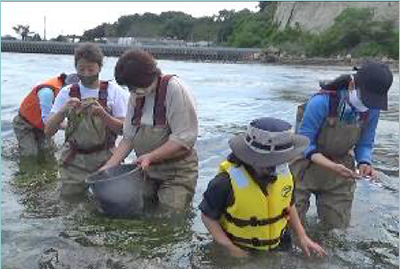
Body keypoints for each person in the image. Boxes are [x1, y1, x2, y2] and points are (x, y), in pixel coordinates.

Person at [199, 117, 326, 258]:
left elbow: (289, 204)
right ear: (253, 157)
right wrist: (229, 247)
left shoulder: (284, 173)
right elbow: (207, 216)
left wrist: (302, 236)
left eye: (282, 160)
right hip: (239, 247)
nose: (279, 167)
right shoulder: (224, 182)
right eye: (273, 163)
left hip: (279, 244)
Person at [290, 61, 393, 229]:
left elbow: (365, 143)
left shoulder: (372, 109)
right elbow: (304, 143)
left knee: (336, 230)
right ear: (352, 84)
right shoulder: (321, 102)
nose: (367, 105)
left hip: (340, 170)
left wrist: (364, 163)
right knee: (290, 226)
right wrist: (331, 165)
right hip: (304, 165)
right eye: (365, 98)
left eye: (372, 101)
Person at [99, 50, 198, 214]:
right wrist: (108, 168)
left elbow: (183, 140)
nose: (133, 92)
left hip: (177, 172)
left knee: (169, 215)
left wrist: (151, 157)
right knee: (141, 212)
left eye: (135, 87)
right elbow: (128, 138)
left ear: (149, 76)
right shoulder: (135, 95)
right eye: (129, 88)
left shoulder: (174, 89)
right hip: (147, 170)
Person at [45, 43, 129, 196]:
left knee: (107, 202)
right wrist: (63, 111)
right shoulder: (67, 92)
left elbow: (124, 131)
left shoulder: (114, 92)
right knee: (70, 202)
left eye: (91, 69)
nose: (86, 73)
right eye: (81, 69)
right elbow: (48, 130)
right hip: (74, 160)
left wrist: (104, 115)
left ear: (100, 67)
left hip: (106, 157)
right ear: (76, 68)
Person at [13, 73, 79, 160]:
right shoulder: (47, 92)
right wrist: (72, 126)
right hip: (25, 124)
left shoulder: (70, 94)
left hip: (42, 128)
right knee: (30, 155)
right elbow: (48, 122)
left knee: (49, 151)